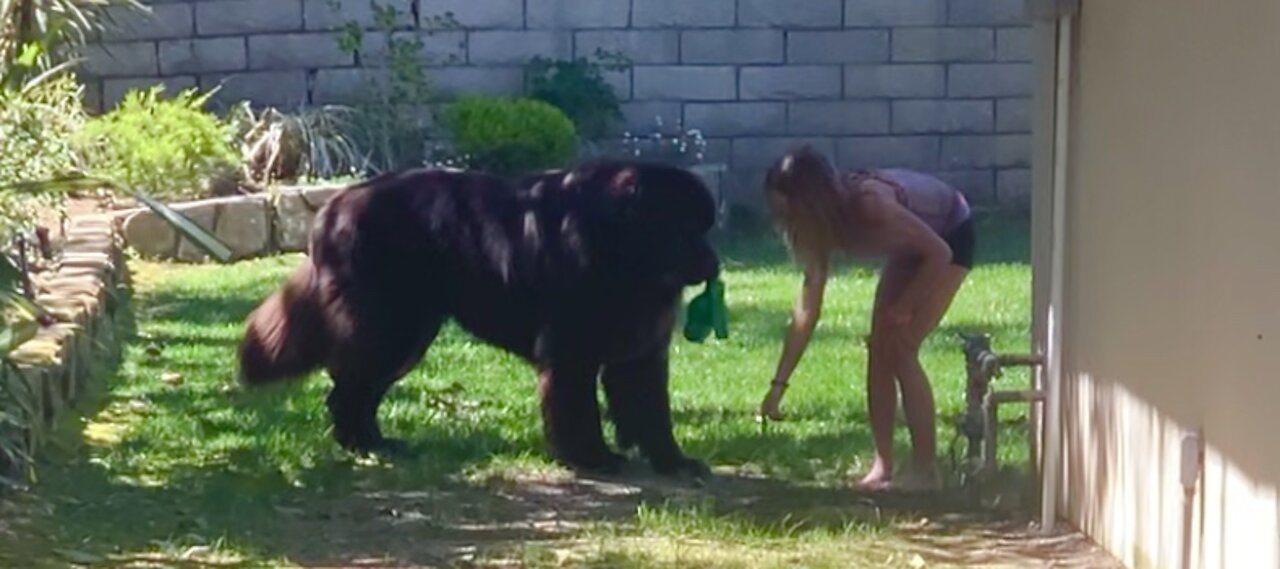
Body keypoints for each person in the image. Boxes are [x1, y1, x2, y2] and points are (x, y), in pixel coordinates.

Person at [757, 145, 974, 491]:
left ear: (814, 203)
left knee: (900, 349)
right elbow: (807, 310)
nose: (786, 224)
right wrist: (777, 387)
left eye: (791, 214)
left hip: (950, 237)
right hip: (912, 250)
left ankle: (925, 470)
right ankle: (883, 467)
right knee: (878, 350)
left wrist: (904, 309)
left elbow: (938, 252)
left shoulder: (871, 205)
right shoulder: (820, 228)